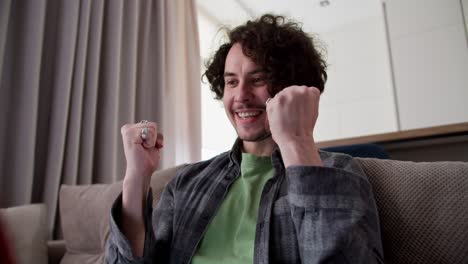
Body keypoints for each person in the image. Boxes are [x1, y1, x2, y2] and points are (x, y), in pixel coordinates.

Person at [105, 14, 384, 263]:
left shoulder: (338, 172)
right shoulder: (186, 183)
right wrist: (136, 177)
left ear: (293, 87)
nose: (241, 96)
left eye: (258, 79)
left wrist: (297, 144)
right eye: (231, 82)